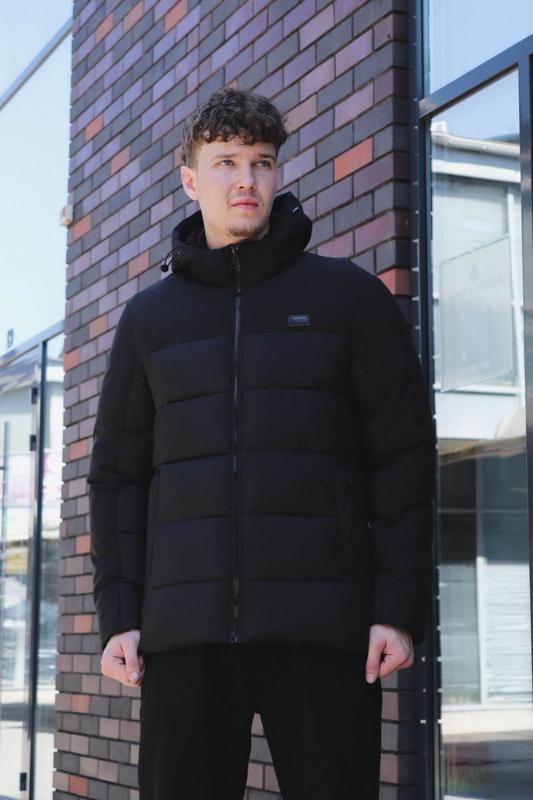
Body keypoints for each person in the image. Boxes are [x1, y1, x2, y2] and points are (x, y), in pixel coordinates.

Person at [87, 86, 437, 799]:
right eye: (225, 162)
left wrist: (397, 611)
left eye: (261, 162)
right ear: (191, 180)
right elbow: (118, 477)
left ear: (277, 174)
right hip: (184, 637)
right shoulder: (149, 319)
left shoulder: (348, 299)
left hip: (323, 632)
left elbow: (402, 461)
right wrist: (120, 618)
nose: (245, 179)